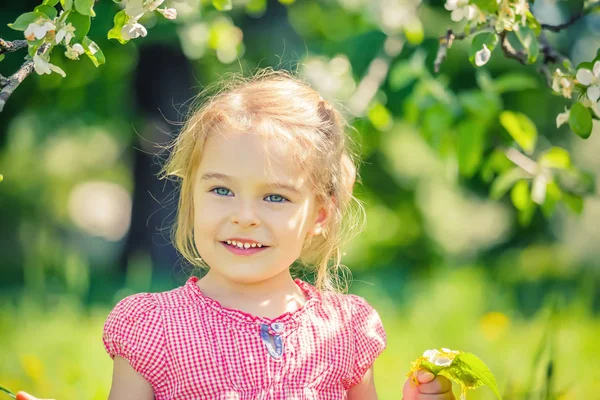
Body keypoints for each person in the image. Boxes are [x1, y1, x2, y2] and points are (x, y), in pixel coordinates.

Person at [19, 70, 454, 400]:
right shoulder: (154, 329)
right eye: (222, 190)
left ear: (319, 214)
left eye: (275, 198)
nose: (244, 216)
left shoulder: (344, 330)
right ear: (191, 195)